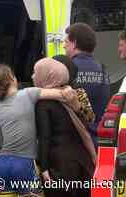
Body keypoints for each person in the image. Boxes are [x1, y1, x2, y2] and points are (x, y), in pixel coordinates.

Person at [0, 63, 80, 196]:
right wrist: (70, 90)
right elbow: (60, 94)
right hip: (24, 164)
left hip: (2, 164)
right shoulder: (28, 94)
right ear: (12, 78)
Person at [34, 57, 95, 197]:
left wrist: (43, 168)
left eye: (35, 72)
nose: (32, 76)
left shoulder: (43, 103)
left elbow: (45, 137)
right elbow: (89, 121)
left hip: (60, 166)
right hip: (82, 164)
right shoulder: (74, 96)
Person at [63, 22, 110, 149]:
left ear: (74, 43)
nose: (63, 46)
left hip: (76, 142)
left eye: (66, 42)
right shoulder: (102, 69)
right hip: (99, 140)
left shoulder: (66, 69)